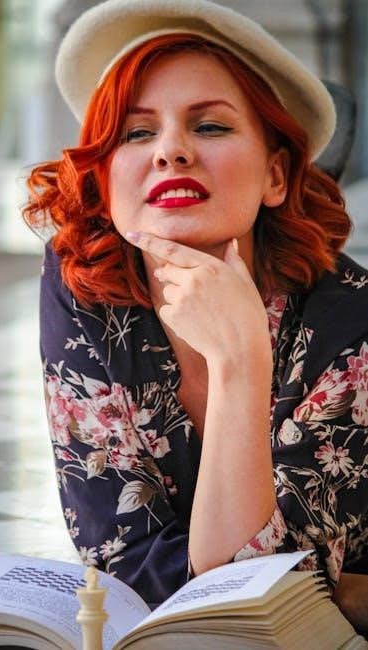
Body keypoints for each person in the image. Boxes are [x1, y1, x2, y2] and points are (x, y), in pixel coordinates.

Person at [24, 0, 368, 631]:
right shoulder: (82, 285)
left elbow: (261, 599)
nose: (171, 151)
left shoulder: (348, 318)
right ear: (106, 176)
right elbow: (122, 556)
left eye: (209, 126)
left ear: (275, 175)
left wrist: (240, 361)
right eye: (137, 133)